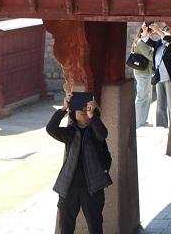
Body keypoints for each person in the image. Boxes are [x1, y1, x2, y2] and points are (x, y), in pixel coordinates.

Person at [47, 91, 112, 234]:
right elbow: (50, 129)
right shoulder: (69, 133)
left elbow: (103, 134)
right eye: (79, 109)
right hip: (69, 187)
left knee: (95, 226)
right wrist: (63, 108)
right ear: (73, 113)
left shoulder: (95, 131)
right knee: (66, 226)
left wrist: (93, 116)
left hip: (92, 187)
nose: (83, 112)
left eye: (85, 109)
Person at [146, 22, 171, 127]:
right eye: (165, 29)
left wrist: (158, 30)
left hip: (168, 76)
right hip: (159, 76)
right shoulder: (159, 43)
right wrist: (145, 31)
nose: (166, 31)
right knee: (160, 103)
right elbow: (147, 41)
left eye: (168, 29)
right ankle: (161, 125)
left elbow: (168, 38)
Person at [129, 22, 156, 127]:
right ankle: (137, 122)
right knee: (141, 97)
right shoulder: (141, 43)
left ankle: (142, 121)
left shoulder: (143, 42)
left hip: (146, 73)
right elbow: (151, 56)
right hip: (143, 74)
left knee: (147, 97)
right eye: (151, 32)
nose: (151, 34)